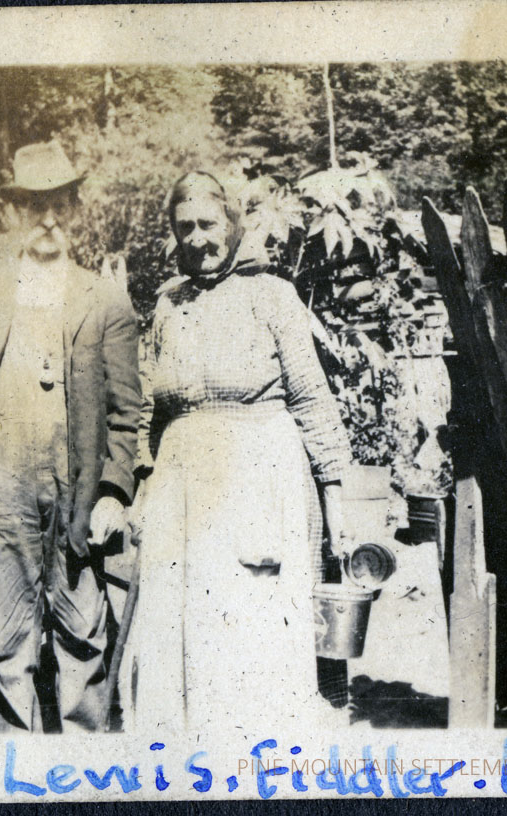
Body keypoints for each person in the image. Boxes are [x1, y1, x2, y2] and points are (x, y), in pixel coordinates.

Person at [123, 171, 354, 733]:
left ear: (231, 223)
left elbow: (311, 397)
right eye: (184, 228)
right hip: (180, 491)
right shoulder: (168, 304)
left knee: (249, 624)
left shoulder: (271, 295)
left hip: (256, 478)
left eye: (207, 224)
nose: (197, 239)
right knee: (178, 627)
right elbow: (150, 407)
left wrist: (337, 501)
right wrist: (143, 487)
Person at [0, 141, 140, 733]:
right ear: (14, 211)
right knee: (7, 643)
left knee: (83, 634)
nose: (48, 219)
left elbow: (127, 414)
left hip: (78, 491)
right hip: (3, 488)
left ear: (74, 208)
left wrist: (112, 491)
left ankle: (85, 766)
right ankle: (15, 767)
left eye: (59, 204)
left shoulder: (105, 300)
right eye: (34, 205)